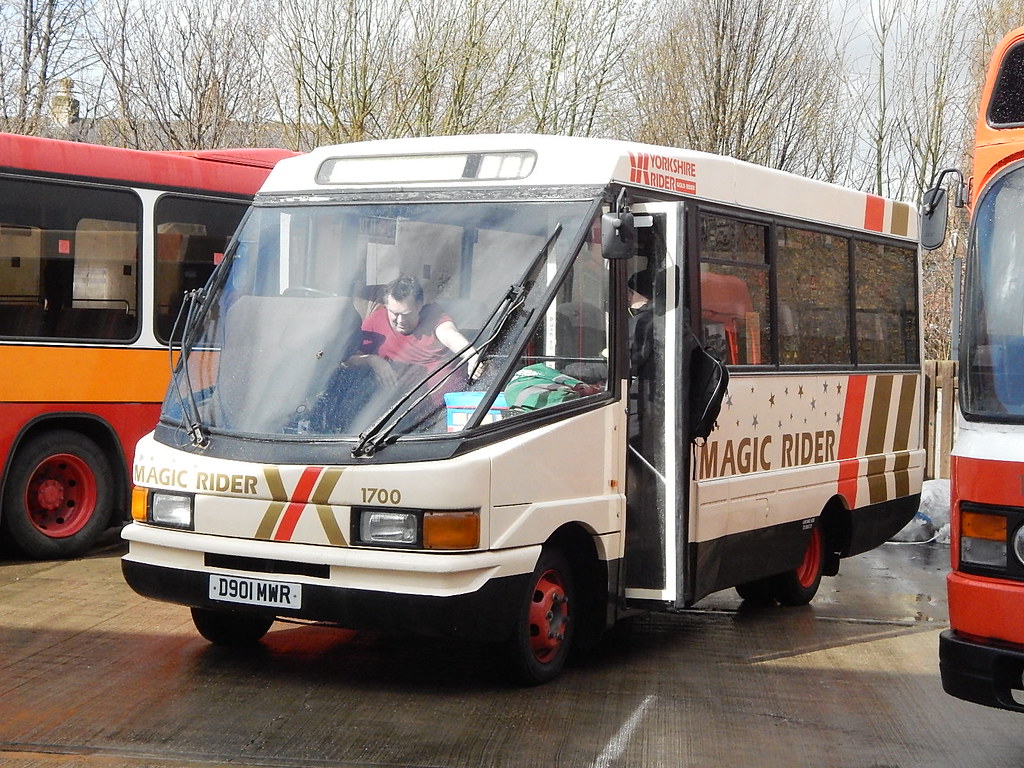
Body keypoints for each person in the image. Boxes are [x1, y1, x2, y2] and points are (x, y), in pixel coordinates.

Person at [350, 274, 480, 388]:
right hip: (397, 408)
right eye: (394, 313)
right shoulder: (376, 320)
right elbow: (349, 360)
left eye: (406, 314)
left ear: (419, 306)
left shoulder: (433, 315)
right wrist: (372, 360)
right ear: (387, 306)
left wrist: (472, 356)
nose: (400, 320)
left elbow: (449, 335)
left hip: (444, 409)